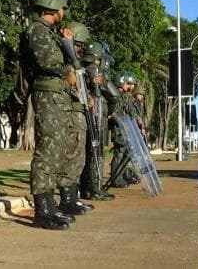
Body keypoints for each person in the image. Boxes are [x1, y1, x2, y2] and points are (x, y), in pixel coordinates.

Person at [26, 0, 77, 230]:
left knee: (57, 149)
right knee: (48, 149)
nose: (64, 11)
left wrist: (67, 42)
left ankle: (49, 204)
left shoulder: (51, 32)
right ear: (53, 5)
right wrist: (66, 72)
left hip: (58, 95)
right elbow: (46, 60)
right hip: (48, 95)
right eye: (62, 7)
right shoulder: (36, 30)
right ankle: (42, 210)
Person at [57, 21, 94, 214]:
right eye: (78, 45)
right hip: (70, 113)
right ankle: (67, 199)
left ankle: (73, 197)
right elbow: (73, 84)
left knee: (78, 159)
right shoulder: (65, 61)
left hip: (78, 113)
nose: (79, 50)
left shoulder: (74, 62)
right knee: (71, 157)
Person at [79, 41, 116, 201]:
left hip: (85, 114)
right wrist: (112, 110)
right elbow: (114, 94)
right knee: (97, 153)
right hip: (98, 114)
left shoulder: (81, 69)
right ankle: (95, 188)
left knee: (88, 152)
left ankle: (85, 188)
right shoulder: (97, 72)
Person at [109, 72, 140, 187]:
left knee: (125, 152)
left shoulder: (127, 95)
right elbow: (114, 112)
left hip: (126, 128)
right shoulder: (117, 95)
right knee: (120, 153)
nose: (131, 87)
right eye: (129, 84)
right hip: (119, 128)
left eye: (132, 84)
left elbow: (131, 111)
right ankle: (116, 178)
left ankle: (121, 176)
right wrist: (122, 123)